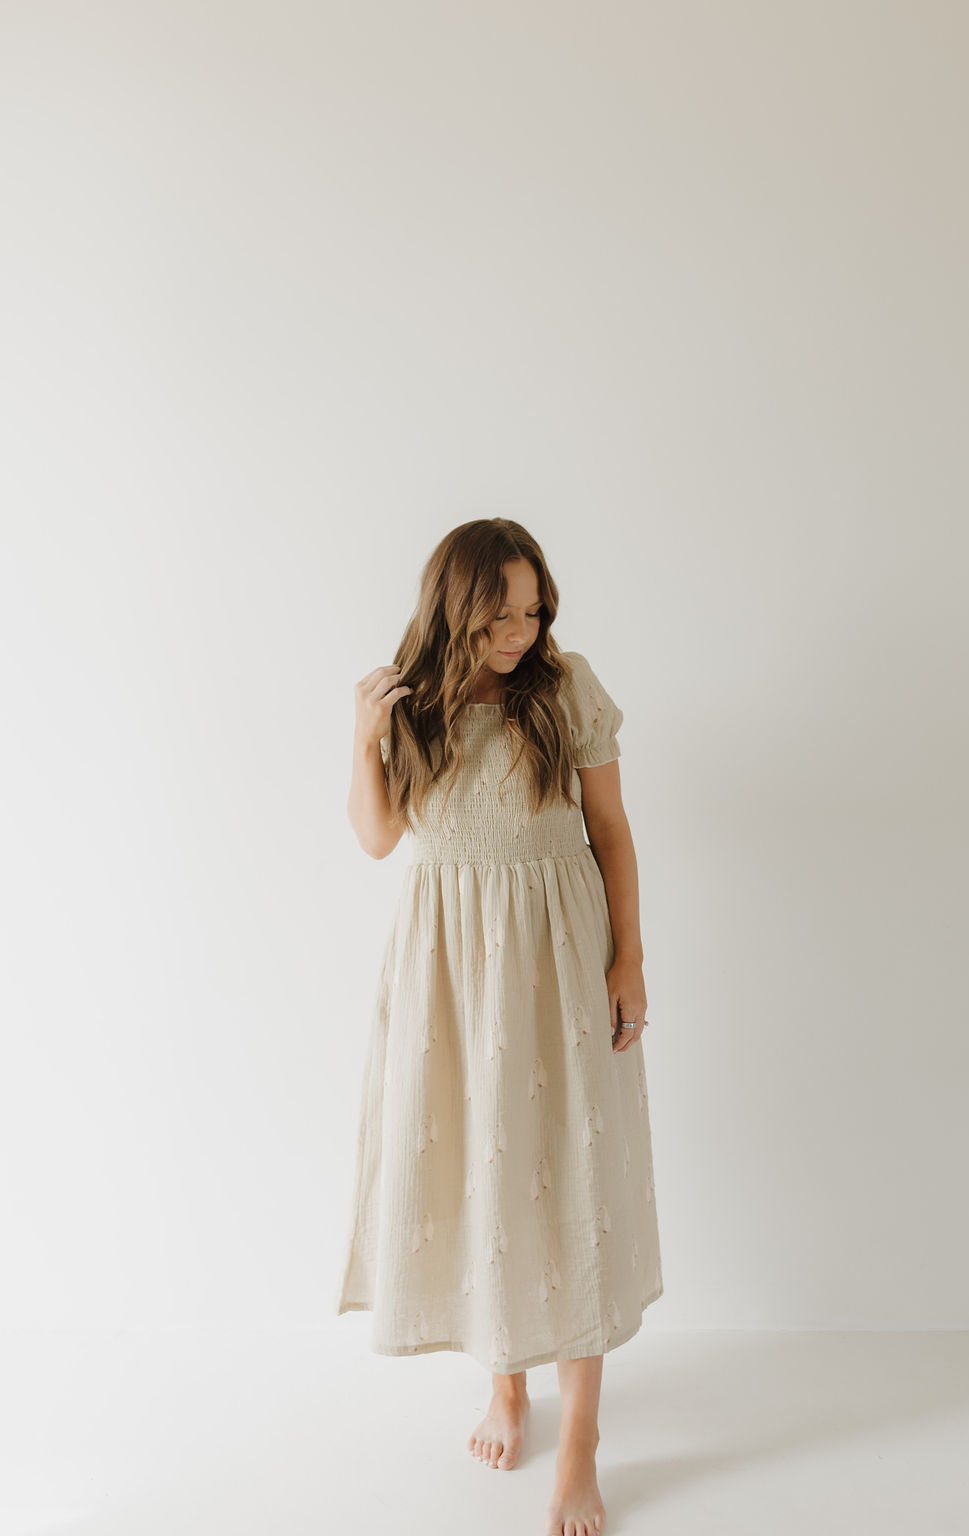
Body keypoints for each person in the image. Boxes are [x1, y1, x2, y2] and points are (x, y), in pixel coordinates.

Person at [335, 518, 662, 1536]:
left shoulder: (564, 690)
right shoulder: (412, 702)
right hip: (445, 983)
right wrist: (362, 734)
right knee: (481, 1177)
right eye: (501, 613)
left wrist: (628, 961)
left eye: (534, 608)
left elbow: (609, 831)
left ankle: (580, 1441)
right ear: (455, 610)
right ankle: (508, 1386)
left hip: (556, 967)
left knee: (566, 1178)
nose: (522, 629)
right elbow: (380, 836)